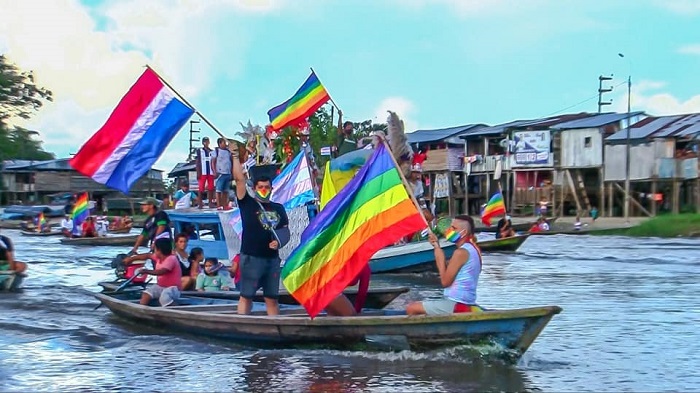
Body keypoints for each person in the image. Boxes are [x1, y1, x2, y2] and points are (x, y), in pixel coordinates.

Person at [233, 148, 289, 316]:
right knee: (246, 296)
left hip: (272, 259)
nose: (264, 189)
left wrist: (279, 242)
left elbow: (285, 230)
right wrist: (235, 157)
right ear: (255, 188)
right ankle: (242, 327)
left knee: (272, 298)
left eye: (266, 187)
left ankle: (276, 328)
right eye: (260, 187)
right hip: (251, 257)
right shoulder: (247, 203)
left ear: (272, 188)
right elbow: (239, 180)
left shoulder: (278, 208)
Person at [407, 215, 483, 315]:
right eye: (450, 227)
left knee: (411, 308)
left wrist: (440, 256)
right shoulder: (473, 248)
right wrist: (436, 246)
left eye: (454, 228)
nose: (449, 230)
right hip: (466, 300)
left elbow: (445, 282)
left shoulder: (460, 252)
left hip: (458, 303)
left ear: (463, 233)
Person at [131, 238, 182, 307]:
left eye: (155, 249)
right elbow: (147, 255)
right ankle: (142, 310)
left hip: (173, 289)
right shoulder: (158, 257)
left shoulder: (171, 258)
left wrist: (146, 271)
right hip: (161, 286)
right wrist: (131, 258)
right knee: (146, 294)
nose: (154, 251)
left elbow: (162, 272)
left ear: (159, 250)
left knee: (164, 298)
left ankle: (177, 309)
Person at [211, 137, 234, 210]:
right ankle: (219, 205)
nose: (225, 144)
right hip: (220, 173)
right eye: (224, 142)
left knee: (225, 190)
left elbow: (231, 161)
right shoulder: (216, 151)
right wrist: (214, 171)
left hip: (228, 173)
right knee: (219, 190)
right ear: (220, 143)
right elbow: (213, 162)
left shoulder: (228, 151)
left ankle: (225, 205)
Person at [196, 136, 216, 209]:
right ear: (202, 142)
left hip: (210, 172)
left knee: (211, 188)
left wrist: (214, 171)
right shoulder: (200, 150)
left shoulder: (212, 151)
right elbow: (197, 161)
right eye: (204, 141)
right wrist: (198, 172)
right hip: (203, 172)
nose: (206, 143)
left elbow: (214, 162)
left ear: (209, 142)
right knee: (201, 188)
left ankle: (210, 203)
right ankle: (200, 203)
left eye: (207, 141)